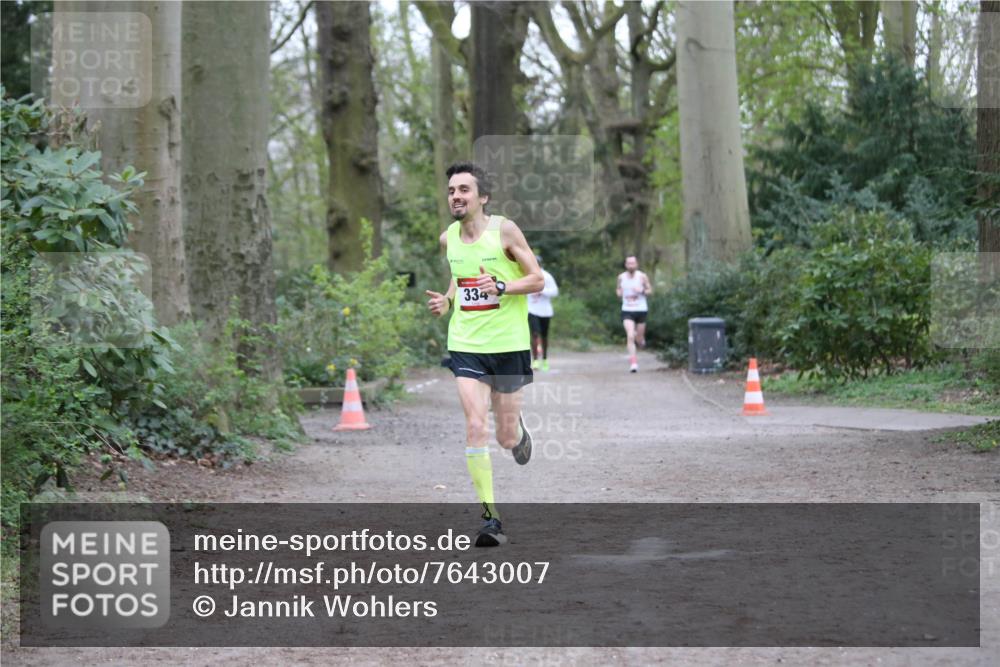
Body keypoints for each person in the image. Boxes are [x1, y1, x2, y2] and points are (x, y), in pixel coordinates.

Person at [425, 162, 544, 547]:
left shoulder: (504, 230)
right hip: (466, 346)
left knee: (506, 439)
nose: (456, 196)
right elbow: (459, 279)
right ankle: (491, 519)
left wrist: (503, 286)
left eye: (464, 190)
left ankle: (518, 430)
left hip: (508, 345)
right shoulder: (448, 239)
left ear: (483, 197)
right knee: (475, 426)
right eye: (451, 191)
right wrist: (447, 300)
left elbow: (537, 279)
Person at [616, 255, 652, 373]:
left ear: (636, 264)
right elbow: (618, 289)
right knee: (630, 335)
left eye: (633, 263)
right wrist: (619, 293)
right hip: (627, 309)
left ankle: (640, 340)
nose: (631, 265)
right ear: (626, 265)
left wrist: (641, 290)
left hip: (641, 309)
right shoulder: (621, 277)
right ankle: (633, 363)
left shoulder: (642, 276)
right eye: (629, 263)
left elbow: (650, 291)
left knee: (638, 339)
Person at [528, 255, 559, 371]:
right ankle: (535, 360)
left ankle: (545, 359)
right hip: (532, 310)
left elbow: (555, 292)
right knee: (535, 334)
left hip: (545, 311)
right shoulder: (527, 275)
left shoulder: (547, 276)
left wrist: (542, 291)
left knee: (544, 336)